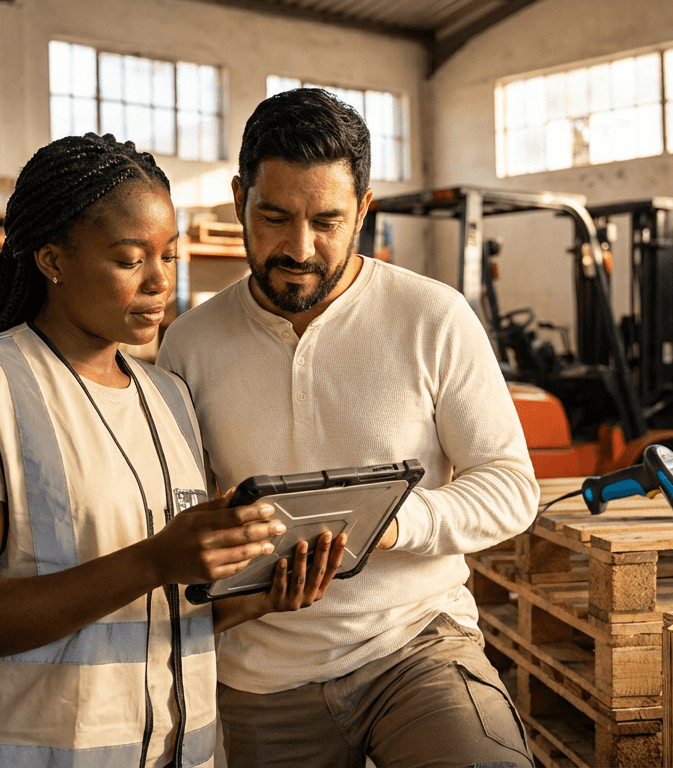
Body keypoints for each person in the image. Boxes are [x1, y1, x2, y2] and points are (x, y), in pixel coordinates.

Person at [0, 133, 343, 768]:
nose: (160, 282)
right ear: (53, 259)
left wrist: (255, 596)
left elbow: (153, 614)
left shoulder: (169, 399)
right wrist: (155, 561)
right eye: (130, 260)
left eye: (168, 255)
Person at [157, 89, 539, 767]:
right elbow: (177, 519)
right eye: (274, 217)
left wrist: (390, 523)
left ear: (364, 210)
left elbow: (511, 487)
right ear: (239, 195)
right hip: (262, 673)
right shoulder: (189, 345)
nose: (299, 249)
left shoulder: (433, 318)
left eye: (327, 221)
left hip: (416, 643)